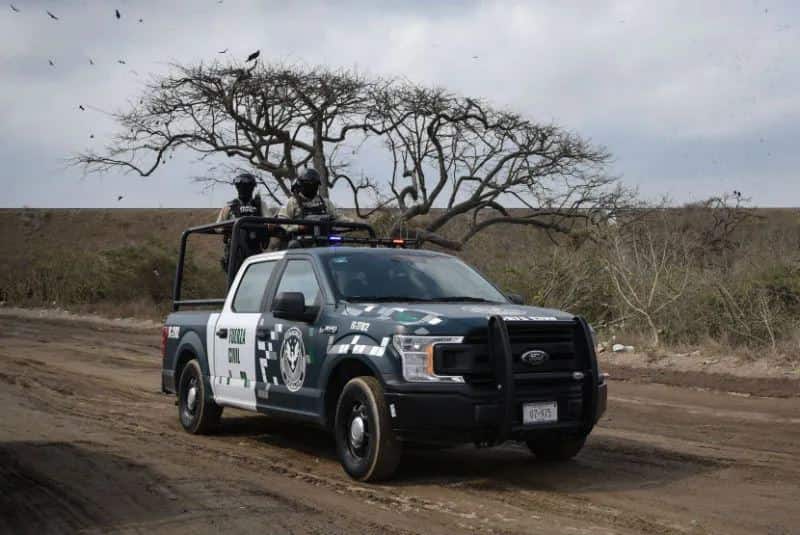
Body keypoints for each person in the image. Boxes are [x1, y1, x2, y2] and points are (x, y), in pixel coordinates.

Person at [271, 168, 346, 249]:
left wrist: (356, 224)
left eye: (314, 185)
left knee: (338, 246)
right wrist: (298, 227)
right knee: (293, 245)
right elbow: (282, 222)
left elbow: (339, 218)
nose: (312, 187)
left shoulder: (325, 203)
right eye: (308, 185)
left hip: (324, 243)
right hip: (300, 244)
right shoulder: (292, 202)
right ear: (301, 185)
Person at [217, 172, 272, 272]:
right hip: (235, 250)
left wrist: (269, 226)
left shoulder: (260, 205)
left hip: (255, 248)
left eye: (247, 186)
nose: (244, 189)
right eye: (241, 186)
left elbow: (270, 222)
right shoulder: (230, 207)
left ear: (252, 187)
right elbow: (218, 227)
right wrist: (228, 228)